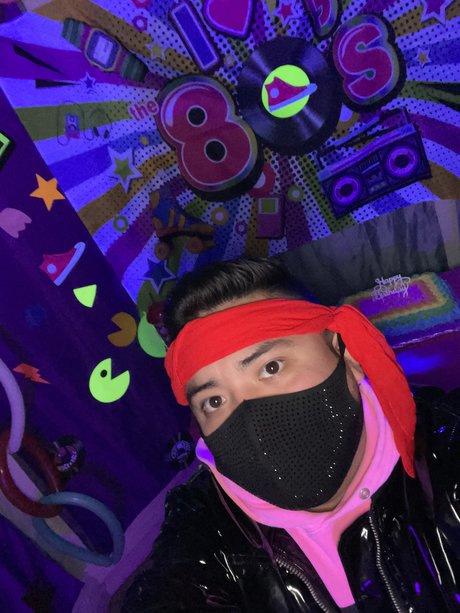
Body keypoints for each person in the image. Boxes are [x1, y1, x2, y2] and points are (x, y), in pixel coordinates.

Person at [122, 257, 459, 612]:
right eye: (214, 401)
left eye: (271, 367)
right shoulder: (207, 521)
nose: (252, 421)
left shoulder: (444, 442)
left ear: (345, 353)